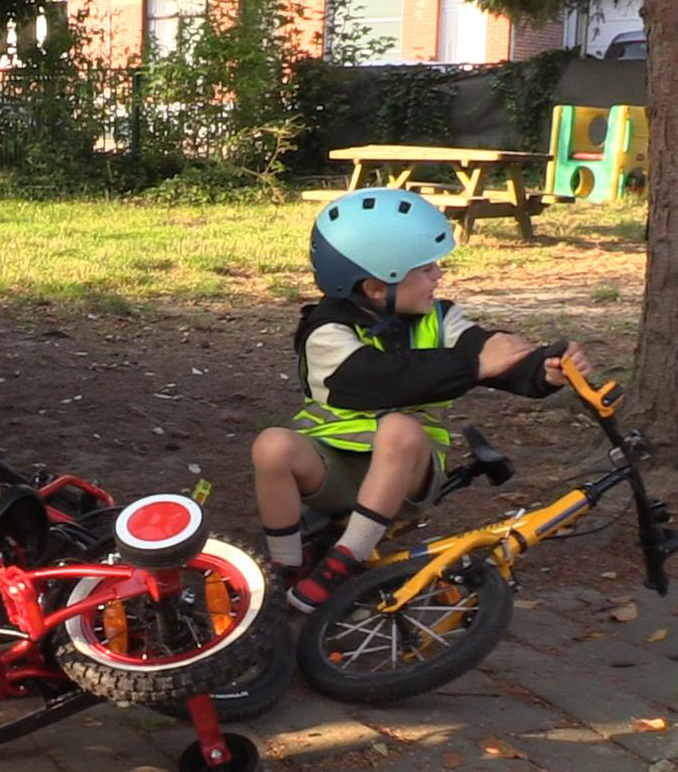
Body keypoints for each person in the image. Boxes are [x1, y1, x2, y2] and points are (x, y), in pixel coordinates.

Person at [250, 187, 593, 613]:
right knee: (272, 445)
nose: (439, 275)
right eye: (426, 268)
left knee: (399, 428)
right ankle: (286, 568)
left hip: (406, 471)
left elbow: (486, 350)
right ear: (377, 287)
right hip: (331, 468)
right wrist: (472, 366)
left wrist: (542, 370)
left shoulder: (441, 318)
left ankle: (344, 562)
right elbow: (375, 381)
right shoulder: (325, 332)